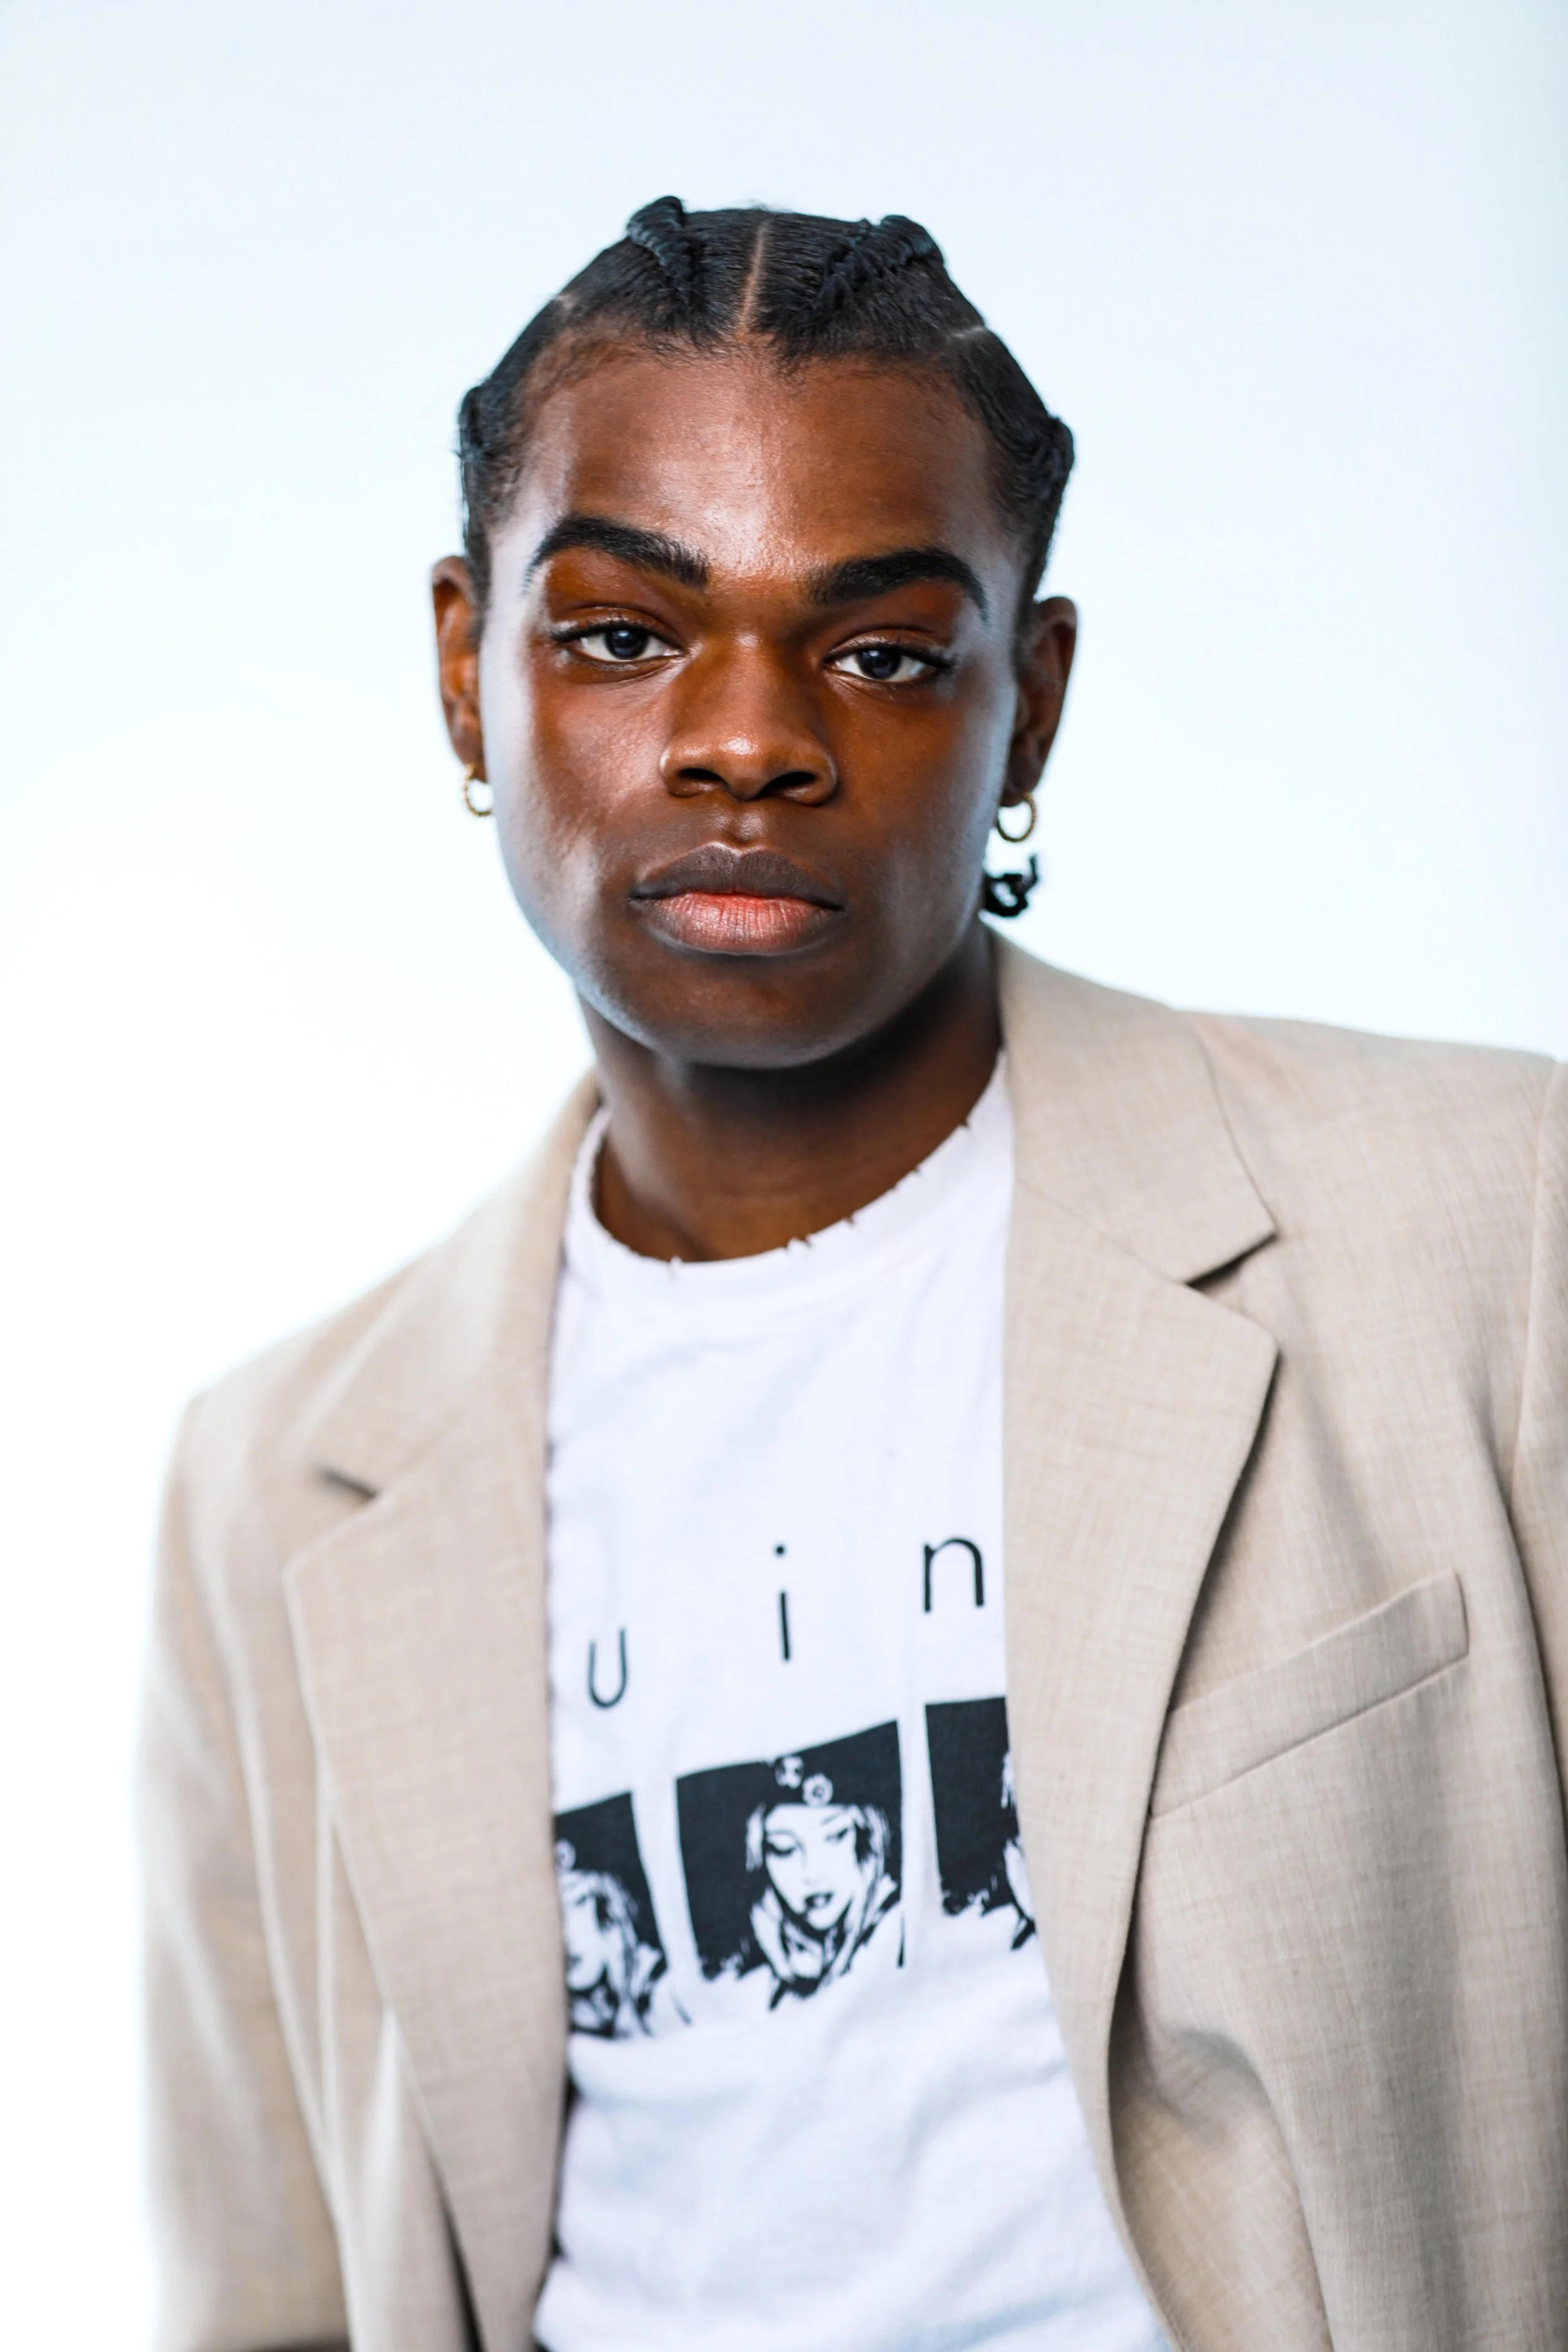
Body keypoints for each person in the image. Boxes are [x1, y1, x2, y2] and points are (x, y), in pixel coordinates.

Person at [137, 198, 1568, 2352]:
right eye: (623, 633)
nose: (746, 738)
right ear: (463, 667)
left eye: (883, 651)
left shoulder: (1482, 1228)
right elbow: (271, 2300)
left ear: (1029, 704)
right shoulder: (273, 1486)